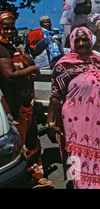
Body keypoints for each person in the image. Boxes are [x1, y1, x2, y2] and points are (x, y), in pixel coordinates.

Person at [46, 27, 100, 189]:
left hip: (99, 121)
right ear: (72, 43)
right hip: (77, 122)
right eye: (77, 40)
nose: (82, 43)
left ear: (91, 40)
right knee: (80, 156)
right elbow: (55, 97)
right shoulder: (64, 66)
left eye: (85, 39)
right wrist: (50, 122)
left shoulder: (96, 60)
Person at [0, 11, 52, 188]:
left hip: (26, 103)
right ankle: (23, 180)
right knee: (20, 144)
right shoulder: (0, 47)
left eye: (12, 28)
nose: (10, 32)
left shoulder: (11, 47)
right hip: (15, 105)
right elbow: (9, 75)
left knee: (32, 140)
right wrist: (31, 70)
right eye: (5, 28)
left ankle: (35, 176)